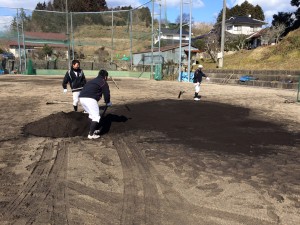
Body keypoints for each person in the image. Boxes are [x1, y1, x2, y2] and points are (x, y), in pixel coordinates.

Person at [79, 69, 112, 139]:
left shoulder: (93, 80)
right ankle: (91, 135)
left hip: (81, 98)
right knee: (96, 117)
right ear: (105, 77)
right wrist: (108, 102)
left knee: (91, 115)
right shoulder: (103, 82)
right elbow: (106, 94)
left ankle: (91, 130)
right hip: (90, 99)